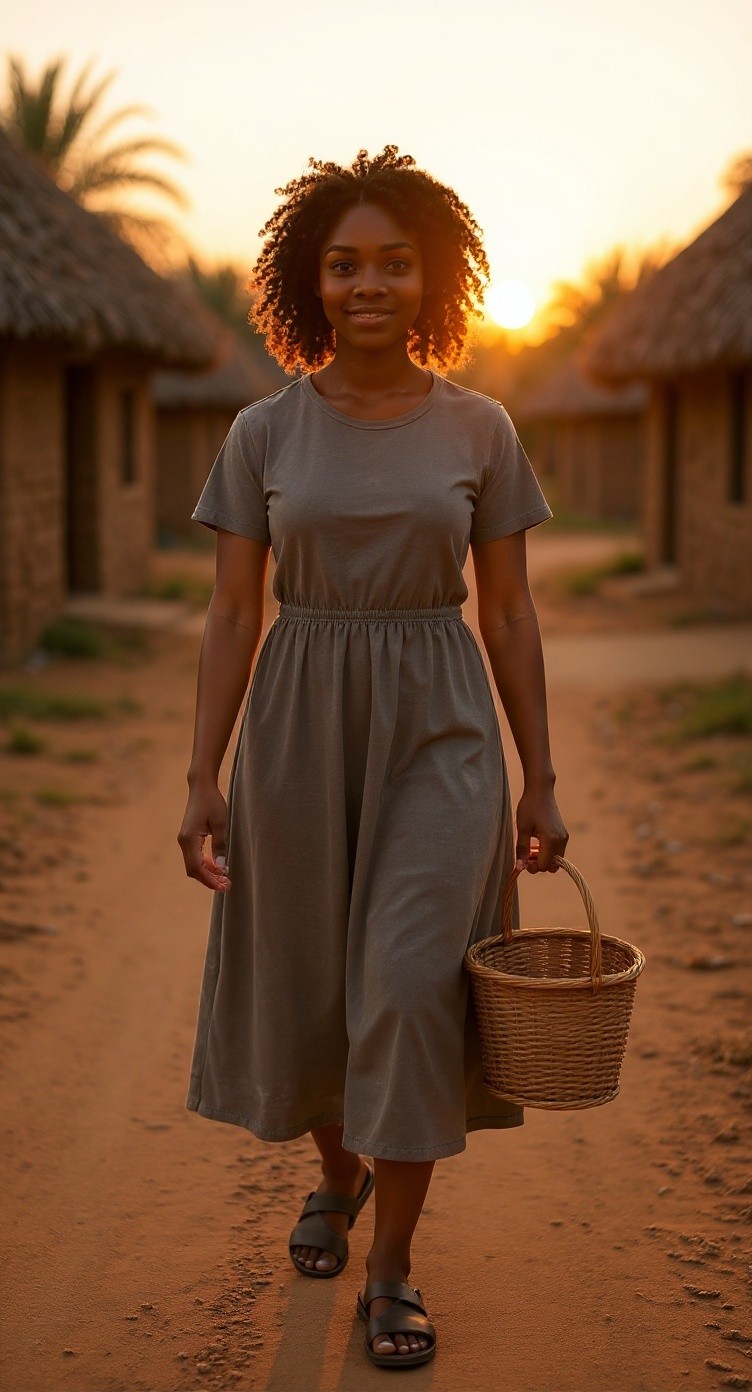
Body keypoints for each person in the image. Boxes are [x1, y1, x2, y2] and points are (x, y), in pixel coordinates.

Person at [178, 145, 568, 1370]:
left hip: (439, 724)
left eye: (394, 265)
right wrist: (201, 777)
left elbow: (504, 611)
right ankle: (334, 1178)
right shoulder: (262, 431)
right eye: (343, 265)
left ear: (433, 279)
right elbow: (235, 612)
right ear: (308, 281)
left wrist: (540, 771)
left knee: (406, 982)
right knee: (318, 982)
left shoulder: (481, 427)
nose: (367, 286)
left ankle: (391, 1261)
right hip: (297, 719)